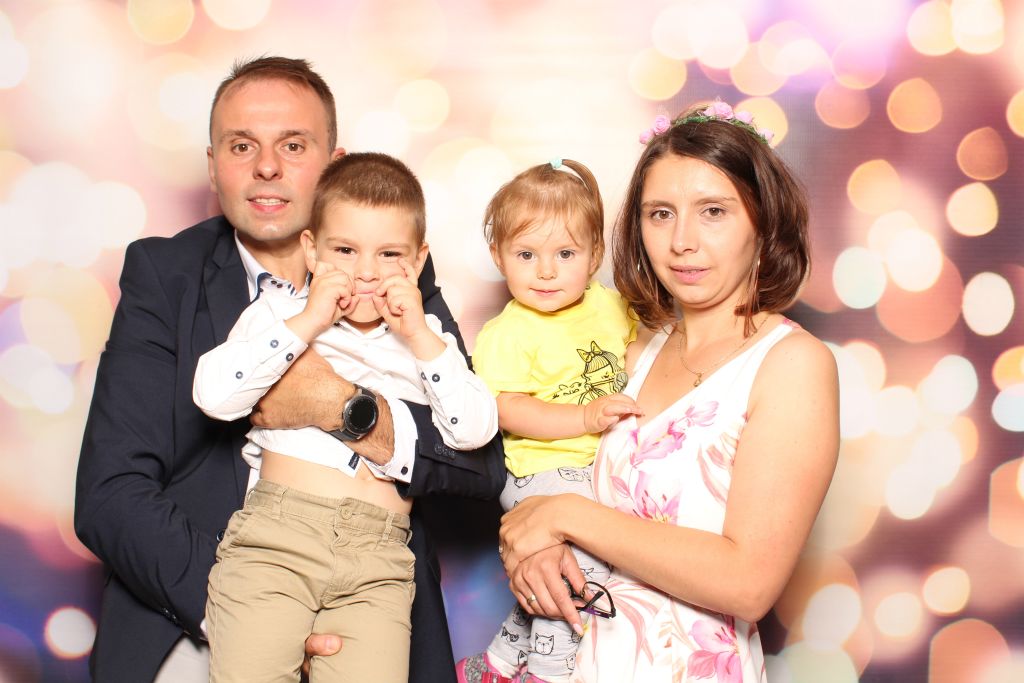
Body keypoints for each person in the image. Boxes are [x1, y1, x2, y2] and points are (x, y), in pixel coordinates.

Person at [75, 57, 505, 683]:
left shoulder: (392, 272)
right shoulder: (165, 275)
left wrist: (343, 408)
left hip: (372, 593)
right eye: (241, 145)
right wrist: (247, 612)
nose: (267, 167)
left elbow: (479, 463)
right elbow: (111, 493)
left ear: (336, 164)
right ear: (213, 165)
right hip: (200, 604)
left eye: (294, 145)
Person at [496, 102, 840, 682]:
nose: (682, 241)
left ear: (764, 222)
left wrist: (565, 516)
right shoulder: (630, 349)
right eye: (660, 214)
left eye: (714, 212)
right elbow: (536, 462)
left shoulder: (792, 365)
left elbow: (749, 582)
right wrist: (533, 544)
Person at [194, 151, 499, 682]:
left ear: (418, 262)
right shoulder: (278, 314)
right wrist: (309, 320)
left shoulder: (428, 340)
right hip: (277, 541)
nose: (366, 273)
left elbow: (474, 432)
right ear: (311, 250)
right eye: (345, 250)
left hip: (379, 562)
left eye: (389, 255)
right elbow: (214, 396)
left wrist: (420, 337)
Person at [456, 159, 639, 683]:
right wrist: (584, 416)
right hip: (541, 474)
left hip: (598, 469)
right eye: (526, 255)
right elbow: (507, 408)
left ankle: (495, 664)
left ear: (595, 255)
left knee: (576, 568)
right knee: (581, 573)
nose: (546, 271)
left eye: (565, 254)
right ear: (498, 255)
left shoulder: (611, 306)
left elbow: (637, 355)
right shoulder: (507, 332)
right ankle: (550, 671)